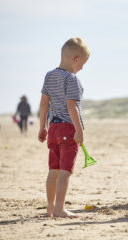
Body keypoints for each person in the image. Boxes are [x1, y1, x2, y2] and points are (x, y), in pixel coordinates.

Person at [38, 37, 90, 218]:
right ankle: (60, 208)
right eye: (83, 63)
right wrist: (79, 130)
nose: (82, 67)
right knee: (65, 172)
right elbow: (71, 106)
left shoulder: (49, 75)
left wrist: (42, 127)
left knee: (53, 170)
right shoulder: (72, 79)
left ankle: (50, 208)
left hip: (52, 128)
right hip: (68, 128)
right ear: (75, 59)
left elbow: (44, 104)